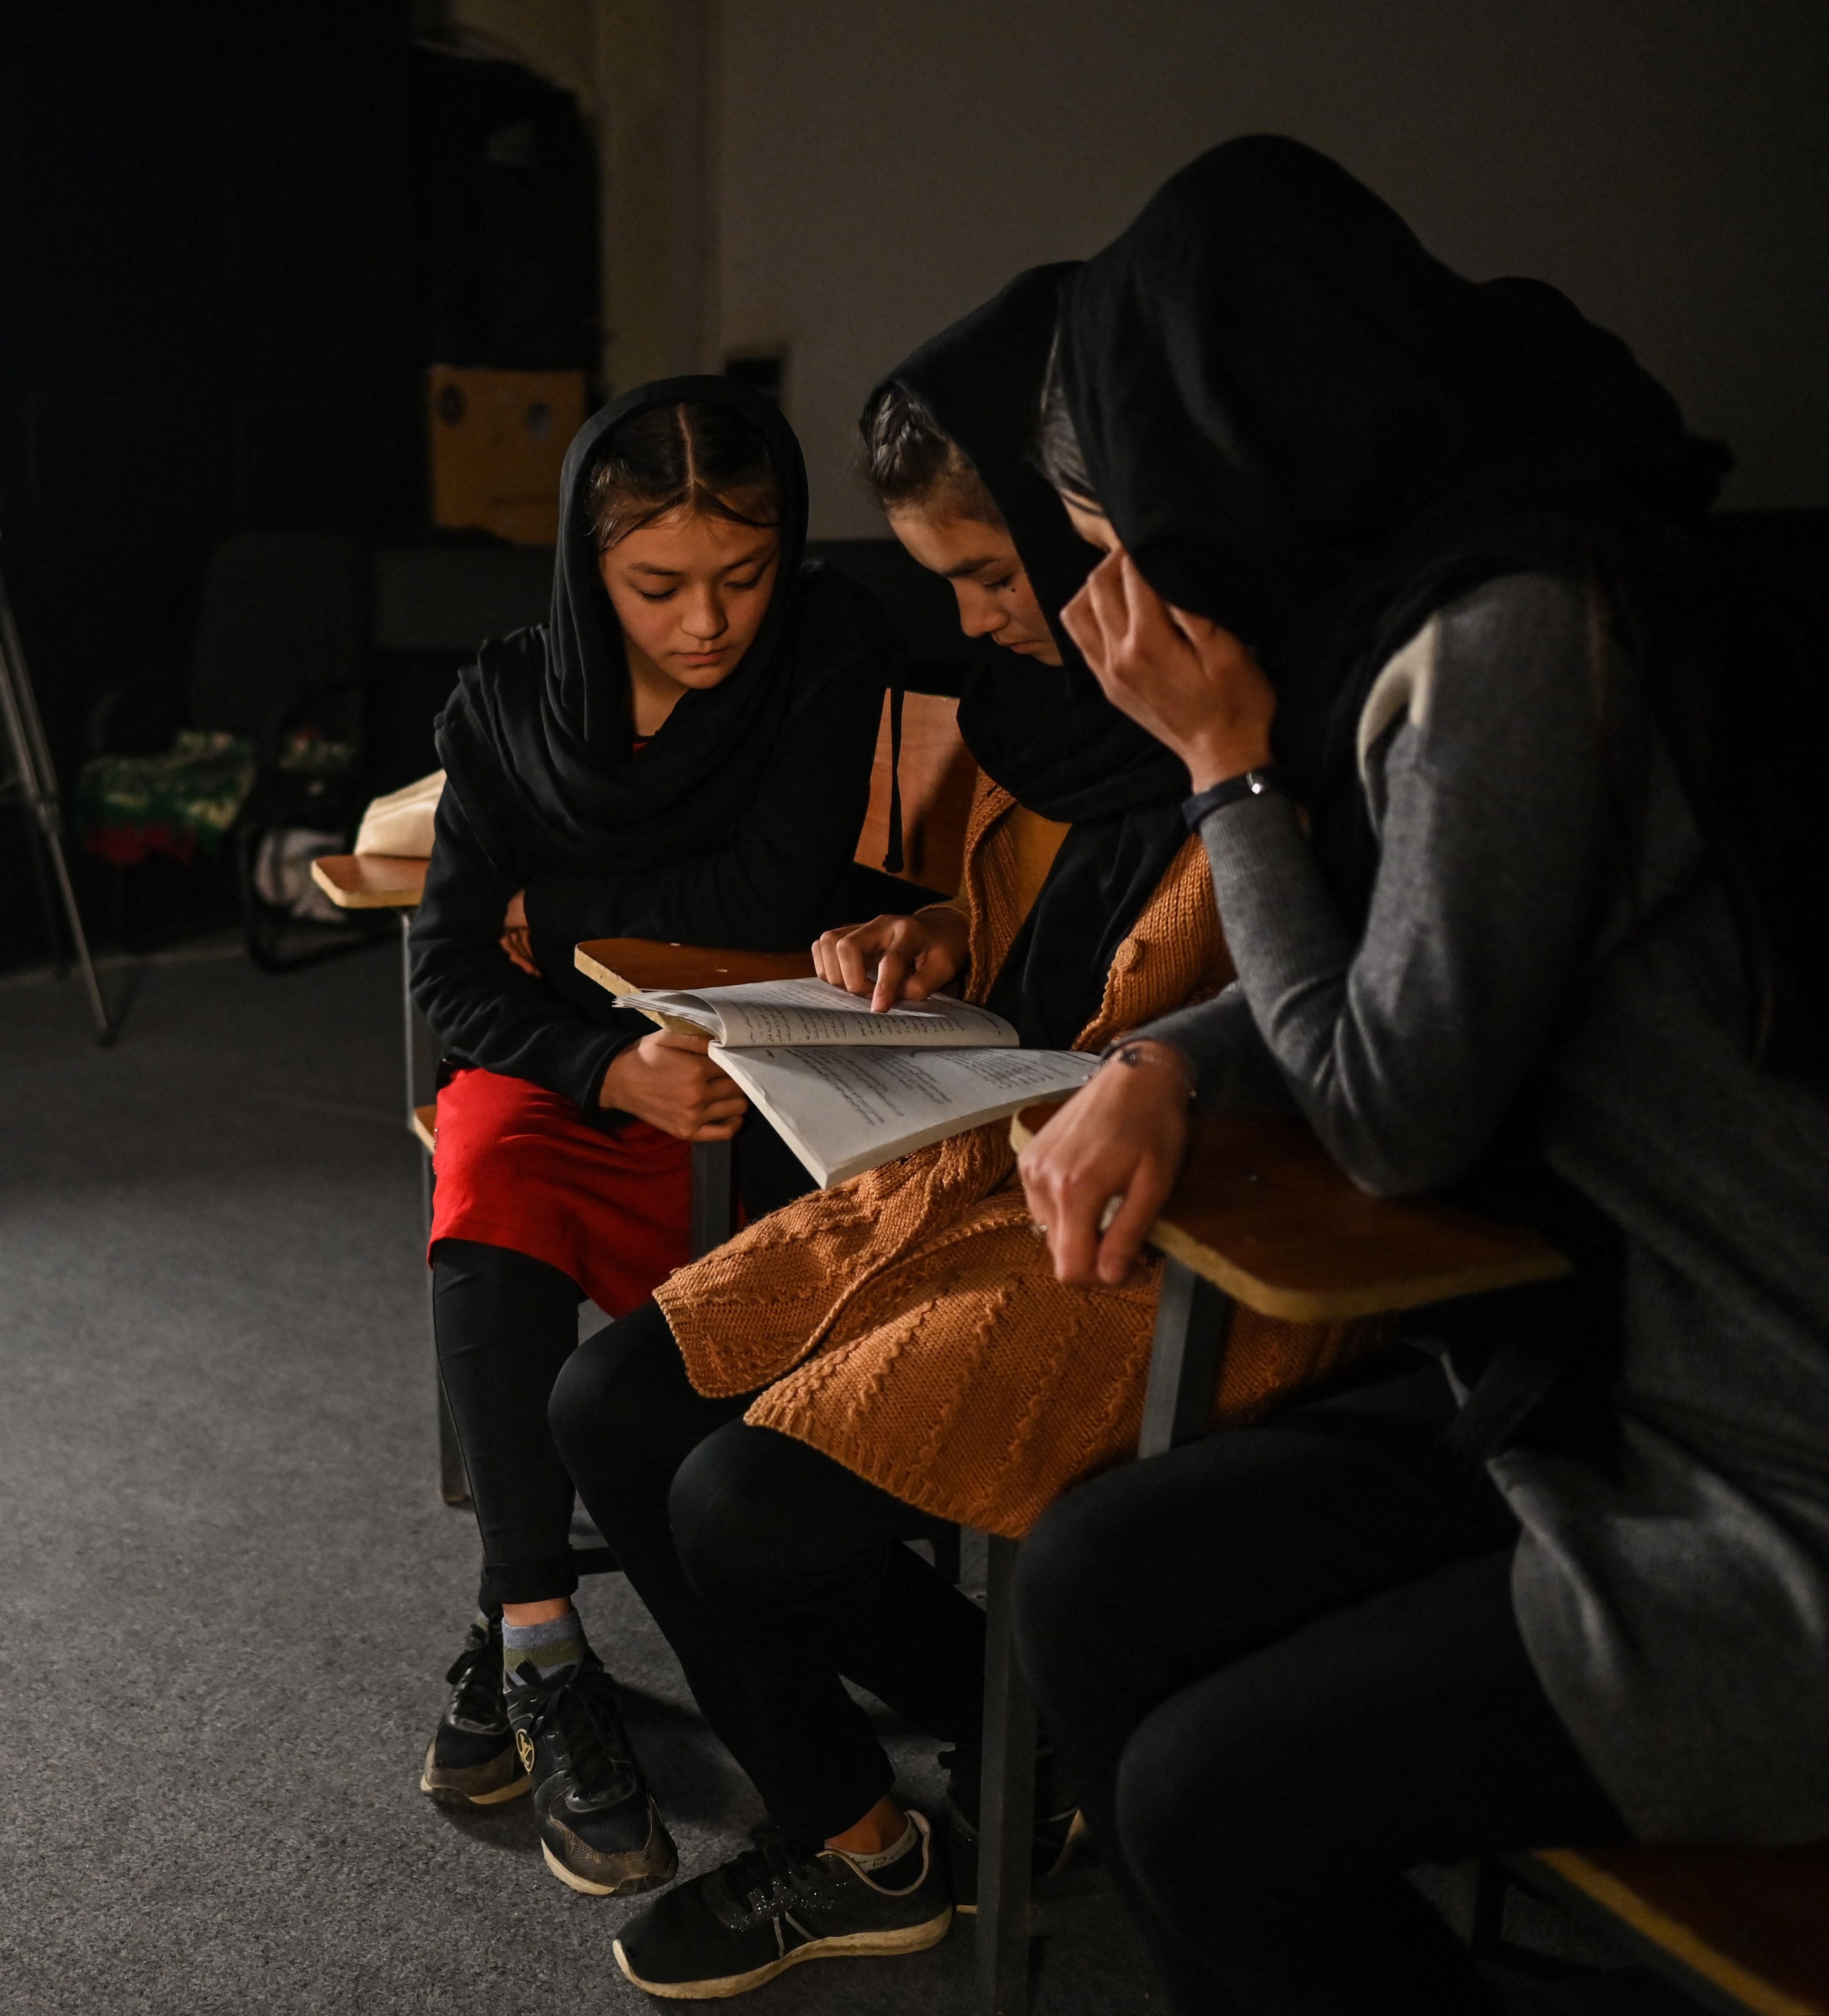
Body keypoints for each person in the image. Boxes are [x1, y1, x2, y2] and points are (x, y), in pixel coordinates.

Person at [1004, 135, 1829, 2015]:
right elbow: (1428, 976)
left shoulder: (1514, 640)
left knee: (1208, 1809)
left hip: (1764, 1472)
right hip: (1608, 1380)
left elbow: (1389, 1110)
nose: (1113, 610)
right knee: (1090, 1577)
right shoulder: (1490, 573)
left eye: (1119, 546)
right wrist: (1167, 1058)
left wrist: (1224, 775)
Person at [542, 267, 1377, 2000]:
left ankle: (1034, 1735)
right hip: (982, 1160)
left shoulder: (1279, 706)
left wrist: (1169, 1007)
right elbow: (1053, 938)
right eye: (955, 585)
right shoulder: (1047, 710)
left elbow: (1337, 1038)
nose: (985, 621)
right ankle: (868, 1841)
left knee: (742, 1508)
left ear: (1102, 526)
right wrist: (933, 940)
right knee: (604, 1404)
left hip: (1183, 1232)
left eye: (1001, 573)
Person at [411, 377, 910, 1898]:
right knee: (488, 1156)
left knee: (696, 1322)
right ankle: (536, 1634)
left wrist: (555, 911)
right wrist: (601, 1064)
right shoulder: (508, 699)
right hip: (580, 1073)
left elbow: (768, 903)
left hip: (758, 1074)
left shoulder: (822, 648)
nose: (708, 624)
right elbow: (449, 975)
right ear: (588, 567)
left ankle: (570, 1619)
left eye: (743, 576)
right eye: (657, 586)